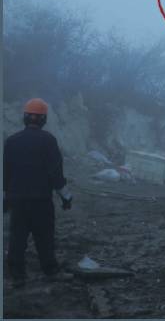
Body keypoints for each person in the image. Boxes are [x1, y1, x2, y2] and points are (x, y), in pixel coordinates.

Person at [3, 98, 73, 287]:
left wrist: (5, 198)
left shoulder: (11, 141)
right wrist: (66, 197)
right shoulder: (48, 141)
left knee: (17, 238)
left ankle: (18, 276)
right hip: (41, 200)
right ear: (43, 119)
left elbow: (5, 173)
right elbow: (56, 173)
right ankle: (50, 271)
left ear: (25, 117)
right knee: (44, 237)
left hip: (17, 200)